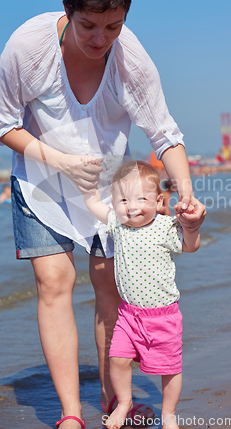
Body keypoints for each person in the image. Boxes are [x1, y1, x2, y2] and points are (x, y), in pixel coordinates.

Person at [0, 0, 206, 429]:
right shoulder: (28, 47)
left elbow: (164, 134)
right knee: (54, 284)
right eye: (88, 25)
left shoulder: (132, 60)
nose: (100, 40)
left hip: (110, 190)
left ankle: (114, 399)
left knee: (111, 286)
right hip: (40, 178)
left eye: (113, 27)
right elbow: (1, 124)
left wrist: (185, 193)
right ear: (66, 10)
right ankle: (70, 414)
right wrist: (60, 161)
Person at [82, 160, 202, 429]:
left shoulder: (165, 226)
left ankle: (169, 413)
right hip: (128, 315)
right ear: (114, 202)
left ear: (159, 200)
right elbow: (93, 205)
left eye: (141, 199)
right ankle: (124, 402)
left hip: (163, 316)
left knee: (169, 368)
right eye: (123, 199)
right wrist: (88, 188)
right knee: (118, 359)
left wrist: (192, 228)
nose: (131, 206)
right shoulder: (117, 224)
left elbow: (190, 246)